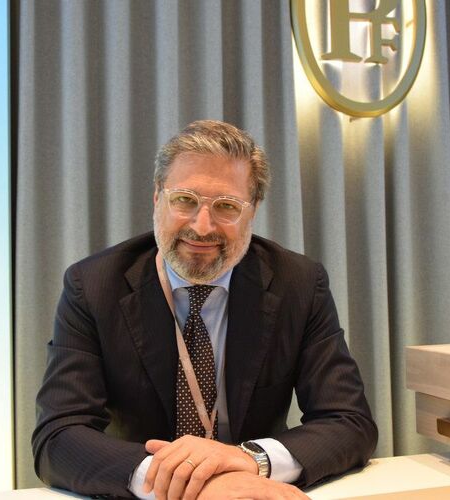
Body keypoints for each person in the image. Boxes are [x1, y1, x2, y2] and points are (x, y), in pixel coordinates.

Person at [32, 120, 378, 499]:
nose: (201, 226)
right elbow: (58, 435)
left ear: (253, 210)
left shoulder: (298, 283)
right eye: (184, 200)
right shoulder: (94, 285)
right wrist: (186, 481)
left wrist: (249, 460)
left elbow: (349, 421)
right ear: (157, 198)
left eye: (226, 206)